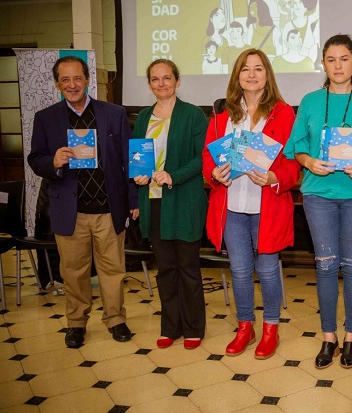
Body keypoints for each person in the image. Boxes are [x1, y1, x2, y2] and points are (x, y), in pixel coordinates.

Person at [284, 34, 352, 369]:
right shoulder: (311, 100)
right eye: (331, 59)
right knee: (326, 265)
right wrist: (309, 162)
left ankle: (351, 337)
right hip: (319, 195)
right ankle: (328, 337)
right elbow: (295, 147)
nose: (338, 65)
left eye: (344, 59)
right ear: (324, 64)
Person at [28, 55, 138, 348]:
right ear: (56, 84)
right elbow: (35, 159)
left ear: (87, 79)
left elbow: (131, 160)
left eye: (77, 78)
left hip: (108, 208)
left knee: (113, 269)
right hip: (69, 209)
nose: (72, 85)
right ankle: (76, 323)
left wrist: (133, 199)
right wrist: (53, 161)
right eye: (65, 80)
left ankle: (116, 319)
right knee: (73, 271)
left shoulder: (113, 113)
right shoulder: (46, 118)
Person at [204, 48, 299, 359]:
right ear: (237, 77)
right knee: (240, 270)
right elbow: (208, 157)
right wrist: (214, 174)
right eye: (245, 69)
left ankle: (271, 327)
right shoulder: (221, 118)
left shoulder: (284, 114)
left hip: (266, 205)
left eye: (258, 69)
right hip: (230, 204)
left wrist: (273, 176)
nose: (252, 74)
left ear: (267, 75)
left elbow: (293, 163)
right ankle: (245, 325)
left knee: (268, 269)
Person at [132, 59, 208, 350]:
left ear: (178, 81)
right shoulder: (142, 118)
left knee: (188, 267)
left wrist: (173, 176)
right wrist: (138, 175)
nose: (161, 84)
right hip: (152, 201)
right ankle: (170, 327)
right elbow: (138, 156)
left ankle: (193, 328)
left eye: (167, 78)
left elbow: (202, 159)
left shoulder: (194, 116)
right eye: (155, 79)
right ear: (149, 84)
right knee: (165, 269)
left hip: (184, 199)